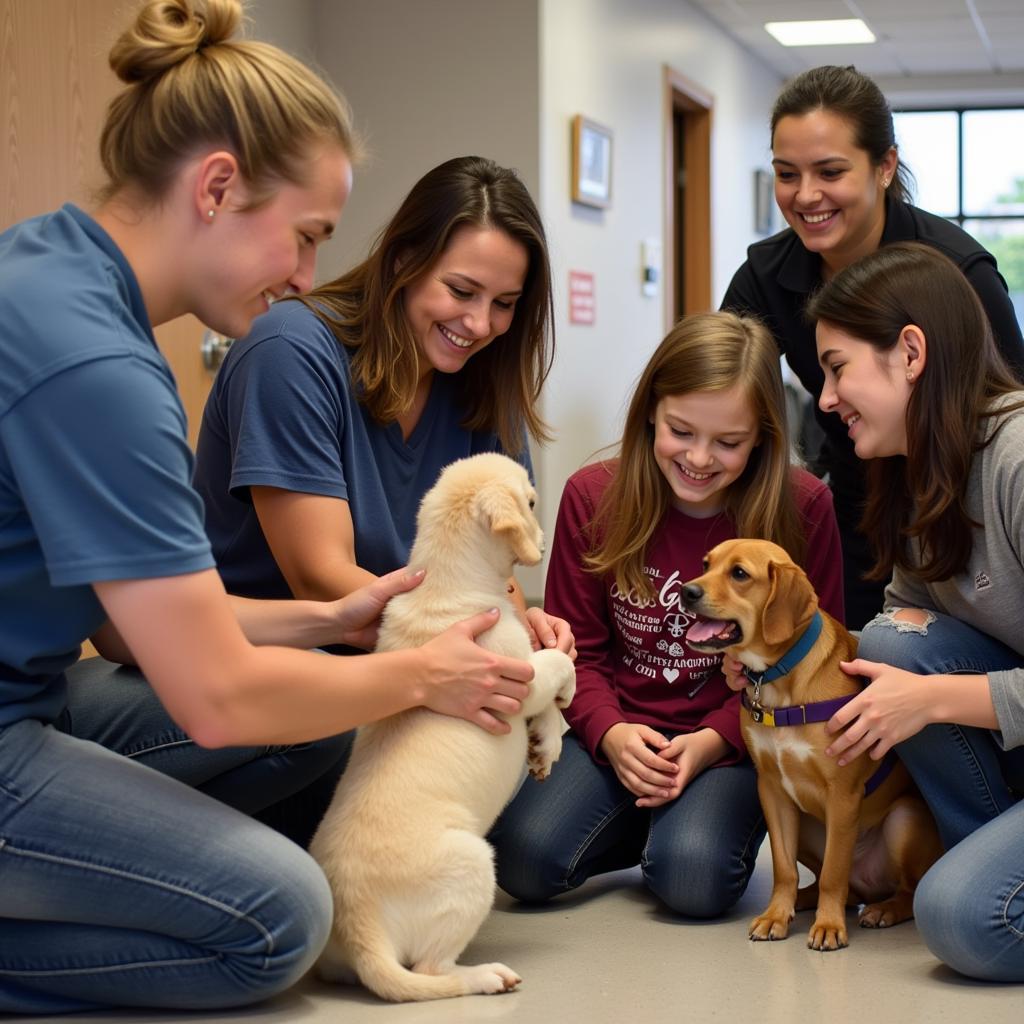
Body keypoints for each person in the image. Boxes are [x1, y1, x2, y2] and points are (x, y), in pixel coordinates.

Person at [0, 0, 538, 1014]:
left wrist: (331, 621)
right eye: (303, 237)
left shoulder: (49, 271)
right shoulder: (99, 366)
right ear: (215, 188)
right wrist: (420, 671)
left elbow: (120, 623)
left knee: (322, 707)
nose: (305, 274)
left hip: (37, 695)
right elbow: (215, 697)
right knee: (280, 917)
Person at [490, 312, 845, 916]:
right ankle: (647, 822)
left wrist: (712, 740)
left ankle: (675, 833)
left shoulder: (804, 505)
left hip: (737, 738)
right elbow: (582, 653)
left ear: (761, 435)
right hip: (620, 728)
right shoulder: (591, 496)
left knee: (693, 881)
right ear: (652, 410)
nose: (700, 459)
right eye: (681, 431)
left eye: (728, 443)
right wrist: (610, 733)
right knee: (522, 860)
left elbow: (817, 659)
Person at [192, 155, 571, 652]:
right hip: (264, 667)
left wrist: (524, 627)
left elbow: (492, 576)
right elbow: (320, 578)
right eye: (461, 290)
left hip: (409, 656)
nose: (480, 325)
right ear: (402, 260)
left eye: (503, 304)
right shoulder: (288, 351)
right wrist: (487, 640)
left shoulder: (484, 381)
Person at [721, 64, 1024, 630]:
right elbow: (717, 395)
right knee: (866, 652)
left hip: (968, 509)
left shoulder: (958, 274)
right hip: (864, 497)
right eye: (787, 174)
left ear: (884, 166)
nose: (806, 195)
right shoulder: (766, 274)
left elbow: (1006, 417)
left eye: (830, 171)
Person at [806, 241, 1024, 982]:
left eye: (837, 368)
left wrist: (934, 699)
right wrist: (787, 669)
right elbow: (898, 630)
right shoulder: (919, 472)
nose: (826, 399)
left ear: (909, 352)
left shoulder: (1017, 460)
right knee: (889, 644)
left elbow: (926, 685)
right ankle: (989, 851)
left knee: (968, 919)